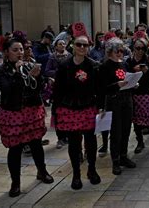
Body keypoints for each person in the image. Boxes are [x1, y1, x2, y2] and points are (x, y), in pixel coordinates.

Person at [0, 38, 54, 197]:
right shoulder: (1, 70)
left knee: (36, 145)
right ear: (7, 52)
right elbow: (6, 90)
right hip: (13, 113)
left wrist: (36, 76)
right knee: (15, 149)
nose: (20, 52)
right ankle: (15, 182)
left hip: (31, 111)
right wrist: (17, 74)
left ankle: (42, 171)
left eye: (21, 49)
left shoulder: (29, 64)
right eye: (15, 50)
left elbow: (39, 89)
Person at [51, 29, 101, 190]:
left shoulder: (93, 66)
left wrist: (100, 107)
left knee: (91, 142)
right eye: (79, 44)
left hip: (88, 107)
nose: (81, 47)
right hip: (70, 108)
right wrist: (56, 111)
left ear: (88, 47)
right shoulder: (64, 65)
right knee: (74, 143)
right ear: (73, 46)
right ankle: (76, 174)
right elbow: (57, 90)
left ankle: (92, 170)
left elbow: (98, 89)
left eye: (85, 45)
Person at [98, 37, 136, 175]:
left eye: (121, 50)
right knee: (116, 132)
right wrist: (116, 85)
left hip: (127, 100)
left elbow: (127, 78)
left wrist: (133, 83)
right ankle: (115, 160)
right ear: (109, 52)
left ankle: (124, 156)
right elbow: (102, 88)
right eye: (116, 51)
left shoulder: (124, 64)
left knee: (126, 129)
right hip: (113, 101)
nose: (120, 53)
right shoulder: (105, 66)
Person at [125, 35, 149, 154]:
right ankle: (140, 142)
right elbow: (125, 76)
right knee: (136, 120)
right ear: (133, 48)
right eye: (137, 48)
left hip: (145, 92)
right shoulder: (129, 60)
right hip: (133, 93)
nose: (140, 51)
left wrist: (146, 71)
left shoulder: (148, 59)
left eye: (142, 48)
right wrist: (132, 71)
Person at [44, 39, 71, 149]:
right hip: (57, 89)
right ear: (56, 46)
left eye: (64, 43)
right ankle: (60, 137)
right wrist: (58, 72)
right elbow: (47, 71)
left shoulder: (69, 56)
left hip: (69, 88)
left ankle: (68, 135)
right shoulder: (52, 57)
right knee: (58, 113)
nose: (62, 45)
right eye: (60, 44)